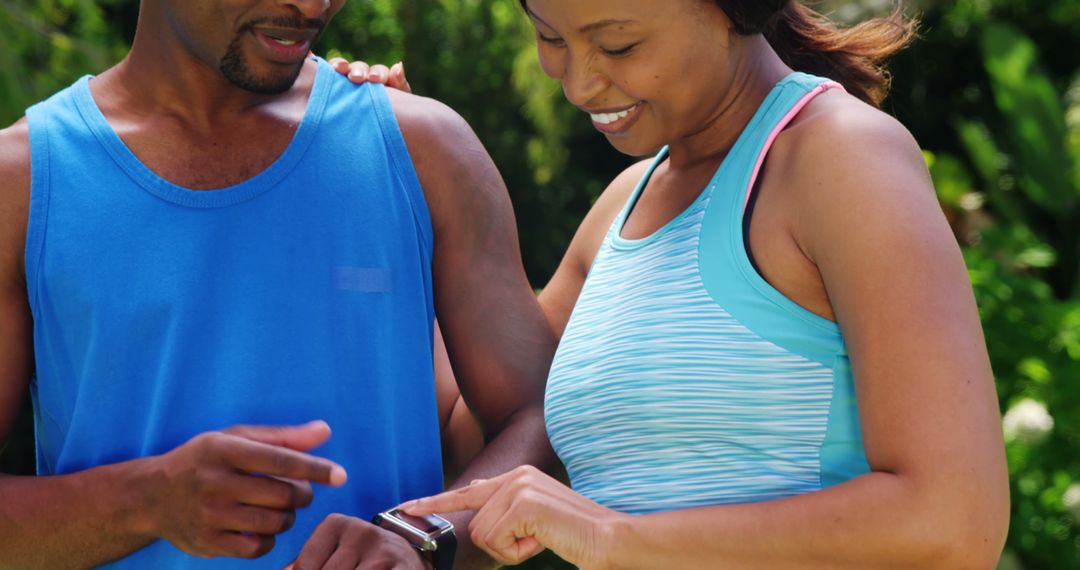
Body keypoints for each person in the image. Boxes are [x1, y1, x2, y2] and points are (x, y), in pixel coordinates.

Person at [341, 0, 1011, 568]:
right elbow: (472, 432)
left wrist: (615, 537)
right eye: (550, 37)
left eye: (617, 43)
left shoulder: (838, 157)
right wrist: (398, 181)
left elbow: (953, 520)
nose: (578, 82)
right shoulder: (623, 206)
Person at [0, 0, 556, 568]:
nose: (313, 6)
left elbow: (542, 419)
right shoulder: (18, 184)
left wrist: (424, 539)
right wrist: (145, 502)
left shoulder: (427, 149)